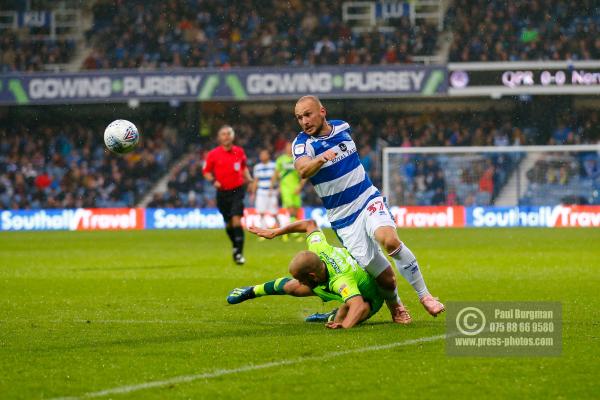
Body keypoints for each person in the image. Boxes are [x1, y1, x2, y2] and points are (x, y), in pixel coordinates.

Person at [291, 96, 444, 322]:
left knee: (389, 240)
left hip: (367, 199)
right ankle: (396, 306)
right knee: (386, 279)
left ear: (322, 111)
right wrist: (321, 159)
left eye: (308, 114)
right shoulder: (303, 144)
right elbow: (303, 170)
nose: (304, 121)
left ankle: (425, 296)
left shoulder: (342, 127)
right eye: (299, 117)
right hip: (343, 219)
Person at [227, 219, 384, 329]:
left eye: (301, 279)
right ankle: (252, 291)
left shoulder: (340, 281)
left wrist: (344, 325)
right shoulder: (318, 248)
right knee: (291, 287)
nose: (299, 282)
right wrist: (275, 232)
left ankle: (329, 316)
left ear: (312, 276)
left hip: (369, 299)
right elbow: (309, 224)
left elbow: (358, 304)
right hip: (335, 281)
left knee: (345, 314)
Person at [202, 125, 253, 265]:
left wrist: (250, 179)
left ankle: (239, 254)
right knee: (229, 224)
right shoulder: (213, 154)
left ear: (232, 136)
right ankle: (236, 246)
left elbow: (243, 168)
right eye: (223, 134)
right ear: (219, 137)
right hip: (222, 193)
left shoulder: (239, 151)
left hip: (237, 190)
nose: (226, 136)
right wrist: (213, 181)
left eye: (228, 133)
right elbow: (206, 172)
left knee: (237, 220)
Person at [273, 142, 306, 238]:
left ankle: (290, 231)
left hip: (295, 187)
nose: (289, 149)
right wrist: (274, 186)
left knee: (295, 211)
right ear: (285, 148)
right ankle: (293, 232)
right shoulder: (280, 160)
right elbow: (276, 173)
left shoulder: (297, 160)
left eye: (290, 147)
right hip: (285, 188)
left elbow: (304, 174)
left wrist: (300, 186)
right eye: (287, 147)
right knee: (290, 210)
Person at [251, 149, 279, 231]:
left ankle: (280, 229)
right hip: (261, 192)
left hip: (271, 192)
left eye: (264, 154)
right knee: (261, 212)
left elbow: (278, 178)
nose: (262, 156)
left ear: (268, 155)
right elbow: (255, 181)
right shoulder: (257, 167)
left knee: (274, 213)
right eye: (261, 155)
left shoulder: (274, 165)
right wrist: (253, 193)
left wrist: (278, 189)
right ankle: (263, 230)